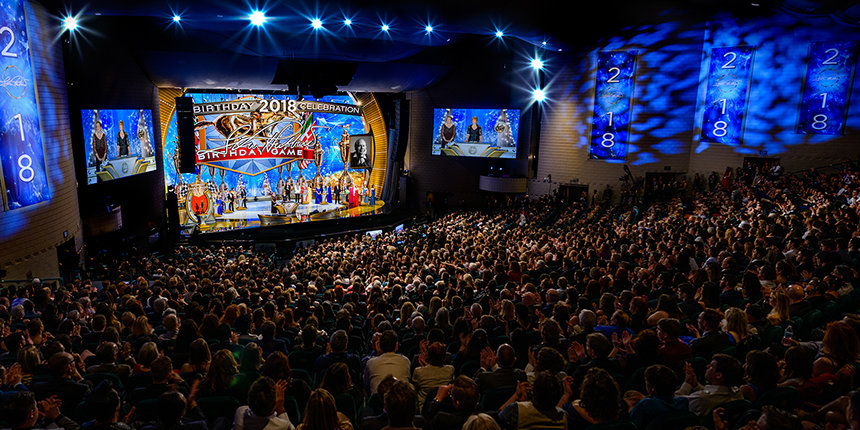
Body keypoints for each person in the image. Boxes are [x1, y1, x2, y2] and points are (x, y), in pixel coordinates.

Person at [676, 354, 745, 417]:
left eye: (711, 366)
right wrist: (696, 385)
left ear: (718, 375)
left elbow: (674, 403)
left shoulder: (701, 399)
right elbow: (716, 393)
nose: (707, 366)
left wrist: (687, 383)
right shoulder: (737, 393)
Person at [625, 365, 689, 429]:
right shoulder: (683, 402)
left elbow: (632, 424)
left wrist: (630, 407)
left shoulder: (645, 405)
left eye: (646, 381)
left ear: (652, 388)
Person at [498, 371, 567, 430]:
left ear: (534, 392)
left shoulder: (515, 410)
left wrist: (516, 396)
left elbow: (496, 419)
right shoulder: (564, 417)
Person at [412, 341, 454, 409]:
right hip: (443, 407)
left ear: (428, 356)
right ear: (444, 357)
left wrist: (424, 367)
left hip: (424, 407)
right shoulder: (450, 370)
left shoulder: (418, 371)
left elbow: (414, 388)